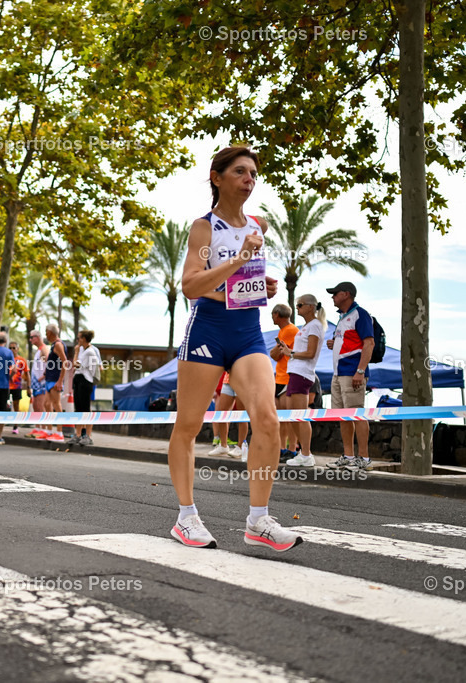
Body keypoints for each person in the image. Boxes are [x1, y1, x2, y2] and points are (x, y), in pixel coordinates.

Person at [168, 145, 302, 552]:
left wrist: (264, 285)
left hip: (247, 334)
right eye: (240, 172)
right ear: (217, 177)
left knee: (268, 419)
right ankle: (186, 517)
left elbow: (243, 283)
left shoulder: (258, 225)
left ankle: (258, 520)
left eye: (253, 174)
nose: (249, 179)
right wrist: (239, 260)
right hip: (208, 331)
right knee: (189, 426)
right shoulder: (203, 227)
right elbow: (191, 285)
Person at [325, 281, 375, 470]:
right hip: (338, 373)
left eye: (335, 293)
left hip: (352, 372)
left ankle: (364, 458)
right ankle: (349, 456)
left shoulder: (360, 314)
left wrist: (360, 371)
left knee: (357, 414)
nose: (332, 297)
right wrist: (335, 343)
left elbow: (369, 343)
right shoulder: (343, 317)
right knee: (343, 415)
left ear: (346, 294)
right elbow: (351, 342)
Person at [278, 294, 327, 466]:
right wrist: (288, 350)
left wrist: (289, 353)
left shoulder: (314, 326)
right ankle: (303, 452)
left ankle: (306, 454)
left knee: (300, 415)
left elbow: (310, 353)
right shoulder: (308, 326)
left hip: (303, 373)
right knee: (293, 415)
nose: (297, 308)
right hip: (296, 372)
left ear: (311, 307)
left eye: (300, 305)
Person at [269, 303, 299, 460]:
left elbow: (275, 355)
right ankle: (282, 447)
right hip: (280, 377)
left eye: (272, 314)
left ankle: (292, 449)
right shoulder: (283, 331)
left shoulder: (290, 330)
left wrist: (275, 351)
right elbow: (275, 353)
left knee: (289, 417)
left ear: (277, 314)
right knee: (281, 417)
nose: (271, 317)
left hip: (287, 377)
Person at [71, 329, 102, 445]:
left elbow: (76, 364)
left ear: (84, 339)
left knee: (85, 409)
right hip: (79, 380)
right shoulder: (84, 350)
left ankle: (87, 435)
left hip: (85, 381)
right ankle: (79, 434)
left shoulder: (89, 351)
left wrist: (76, 352)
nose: (77, 340)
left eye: (79, 338)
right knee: (79, 409)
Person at [207, 373, 248, 457]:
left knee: (241, 415)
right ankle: (223, 446)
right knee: (222, 414)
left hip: (242, 380)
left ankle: (240, 448)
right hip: (227, 380)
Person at [43, 324, 68, 442]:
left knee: (57, 405)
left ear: (50, 332)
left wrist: (60, 380)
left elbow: (65, 362)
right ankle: (49, 431)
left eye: (46, 332)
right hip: (49, 378)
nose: (45, 334)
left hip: (54, 380)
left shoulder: (58, 344)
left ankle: (59, 433)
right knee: (47, 404)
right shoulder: (53, 345)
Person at [26, 330, 51, 439]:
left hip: (41, 383)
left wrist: (44, 376)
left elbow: (50, 363)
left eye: (32, 337)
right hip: (36, 382)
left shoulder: (44, 349)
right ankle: (38, 427)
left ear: (37, 337)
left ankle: (44, 429)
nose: (30, 340)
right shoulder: (38, 350)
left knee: (41, 405)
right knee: (35, 405)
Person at [7, 341, 29, 435]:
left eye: (14, 348)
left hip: (17, 386)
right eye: (10, 348)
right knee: (0, 405)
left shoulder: (22, 360)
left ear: (17, 349)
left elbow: (27, 374)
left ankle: (16, 426)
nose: (12, 350)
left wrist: (28, 387)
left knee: (16, 406)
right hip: (5, 386)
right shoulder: (5, 359)